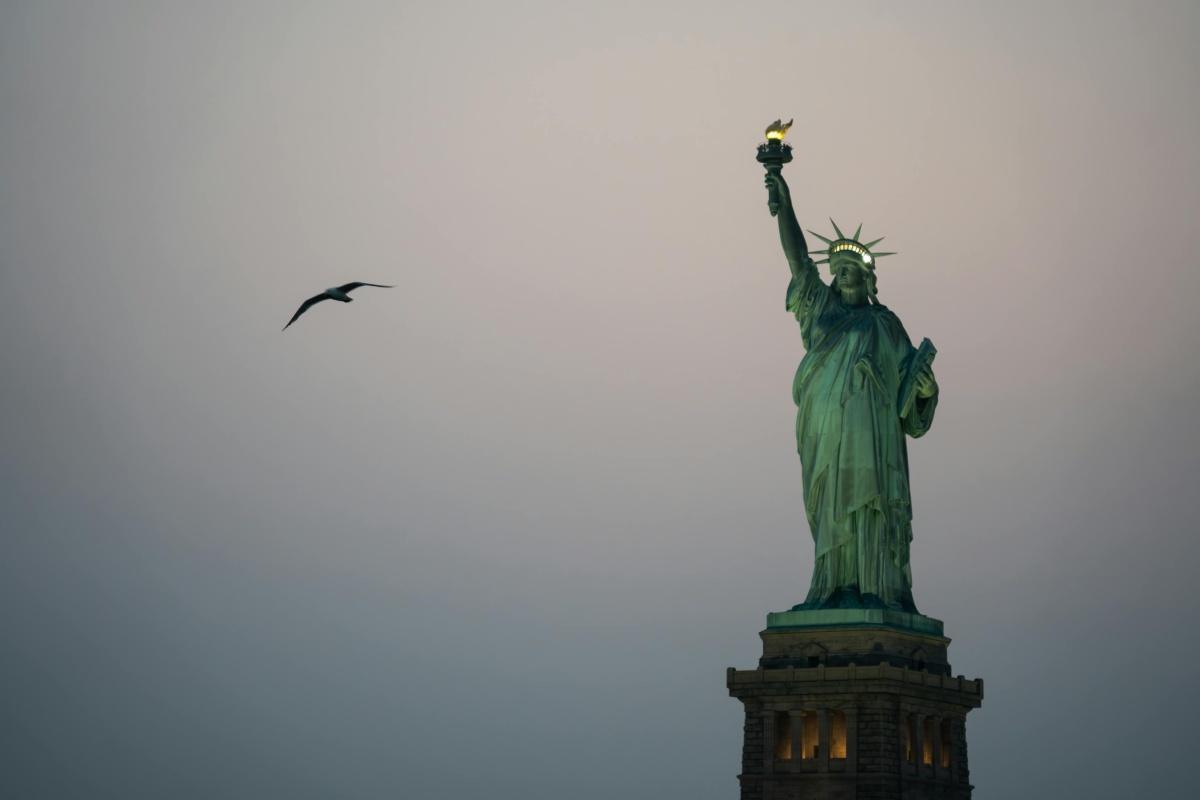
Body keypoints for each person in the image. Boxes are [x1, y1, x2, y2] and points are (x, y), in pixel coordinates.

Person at [764, 171, 937, 612]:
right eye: (836, 270)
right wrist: (784, 200)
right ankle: (833, 586)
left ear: (868, 279)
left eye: (851, 271)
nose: (842, 277)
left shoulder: (886, 325)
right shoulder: (820, 309)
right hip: (825, 426)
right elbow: (798, 260)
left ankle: (875, 589)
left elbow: (911, 409)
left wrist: (925, 389)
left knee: (870, 503)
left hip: (873, 433)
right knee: (832, 506)